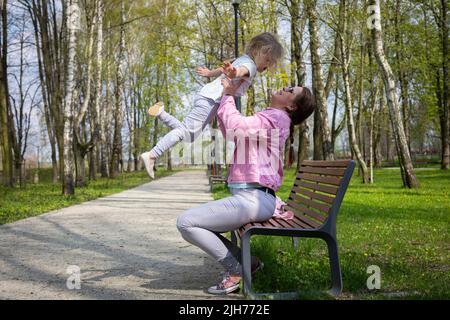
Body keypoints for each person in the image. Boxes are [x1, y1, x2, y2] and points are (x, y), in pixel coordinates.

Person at [176, 77, 316, 295]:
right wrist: (226, 97)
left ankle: (235, 270)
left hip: (254, 199)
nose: (283, 87)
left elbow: (236, 124)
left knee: (186, 223)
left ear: (291, 105)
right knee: (192, 223)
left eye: (290, 90)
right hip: (254, 199)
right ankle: (248, 263)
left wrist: (230, 94)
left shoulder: (276, 118)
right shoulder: (273, 117)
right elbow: (232, 132)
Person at [139, 32, 284, 178]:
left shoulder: (242, 59)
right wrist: (234, 73)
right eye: (267, 59)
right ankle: (152, 154)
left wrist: (209, 73)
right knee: (186, 132)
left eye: (271, 62)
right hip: (211, 100)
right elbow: (239, 71)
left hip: (207, 97)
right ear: (255, 51)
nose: (268, 64)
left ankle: (161, 113)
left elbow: (223, 70)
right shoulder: (250, 66)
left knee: (188, 134)